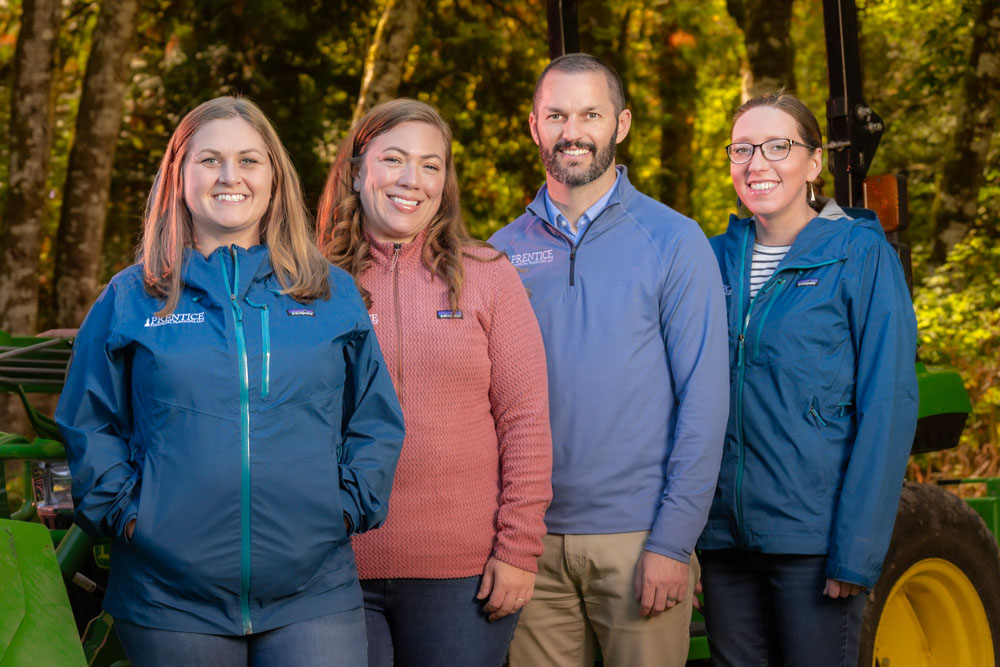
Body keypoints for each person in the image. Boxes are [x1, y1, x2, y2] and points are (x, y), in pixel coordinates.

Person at [55, 96, 405, 667]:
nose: (229, 176)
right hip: (167, 599)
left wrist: (344, 509)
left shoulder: (328, 292)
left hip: (312, 593)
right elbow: (87, 421)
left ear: (274, 176)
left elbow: (374, 417)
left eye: (248, 160)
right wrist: (130, 515)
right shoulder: (132, 296)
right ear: (179, 176)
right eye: (209, 160)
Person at [488, 53, 729, 667]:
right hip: (529, 546)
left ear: (620, 124)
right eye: (557, 115)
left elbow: (704, 403)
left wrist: (674, 542)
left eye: (590, 114)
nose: (573, 131)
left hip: (639, 539)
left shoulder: (674, 240)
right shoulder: (497, 254)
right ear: (534, 126)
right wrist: (504, 539)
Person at [315, 98, 552, 667]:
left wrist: (518, 550)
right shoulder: (309, 283)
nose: (411, 179)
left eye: (430, 165)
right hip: (331, 569)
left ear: (445, 182)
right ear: (356, 171)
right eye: (393, 159)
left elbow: (525, 423)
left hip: (462, 575)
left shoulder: (488, 276)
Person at [697, 91, 919, 666]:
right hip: (722, 543)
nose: (757, 163)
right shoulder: (709, 259)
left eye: (778, 146)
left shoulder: (859, 254)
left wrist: (856, 550)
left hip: (813, 544)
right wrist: (684, 537)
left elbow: (888, 404)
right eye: (743, 149)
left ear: (814, 163)